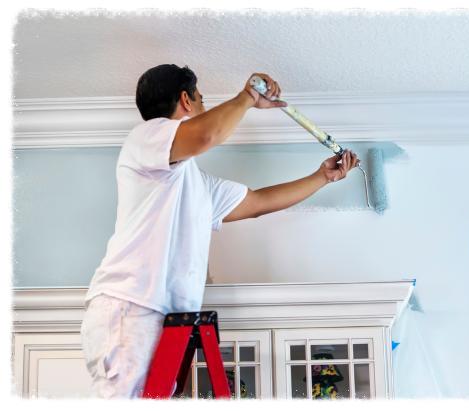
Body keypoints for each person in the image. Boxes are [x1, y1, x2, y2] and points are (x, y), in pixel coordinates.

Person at [80, 64, 359, 398]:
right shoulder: (145, 138)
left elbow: (257, 202)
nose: (204, 106)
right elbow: (206, 135)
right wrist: (247, 98)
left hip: (166, 318)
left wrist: (322, 177)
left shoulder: (195, 184)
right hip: (132, 305)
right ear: (186, 100)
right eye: (201, 99)